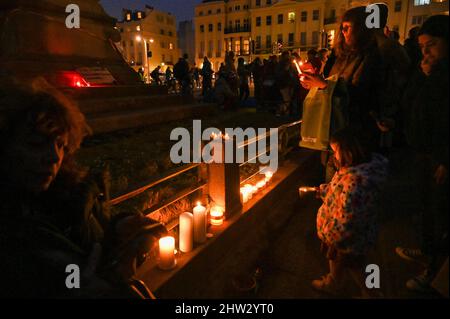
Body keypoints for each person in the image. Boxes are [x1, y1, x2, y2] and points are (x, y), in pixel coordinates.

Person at [0, 80, 166, 298]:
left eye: (60, 144)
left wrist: (118, 229)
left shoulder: (73, 194)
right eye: (35, 144)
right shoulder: (11, 233)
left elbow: (90, 249)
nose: (53, 157)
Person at [396, 15, 449, 293]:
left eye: (432, 45)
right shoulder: (427, 69)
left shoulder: (444, 75)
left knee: (440, 214)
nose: (425, 51)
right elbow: (411, 100)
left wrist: (445, 159)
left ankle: (435, 269)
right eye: (422, 46)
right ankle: (427, 249)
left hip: (440, 158)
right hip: (422, 151)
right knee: (426, 208)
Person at [313, 128, 389, 298]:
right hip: (346, 233)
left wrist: (331, 235)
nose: (333, 157)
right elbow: (340, 190)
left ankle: (371, 293)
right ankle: (333, 282)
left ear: (348, 152)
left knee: (356, 266)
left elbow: (350, 216)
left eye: (335, 152)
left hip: (346, 236)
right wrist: (325, 191)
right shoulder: (353, 169)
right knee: (336, 260)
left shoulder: (357, 181)